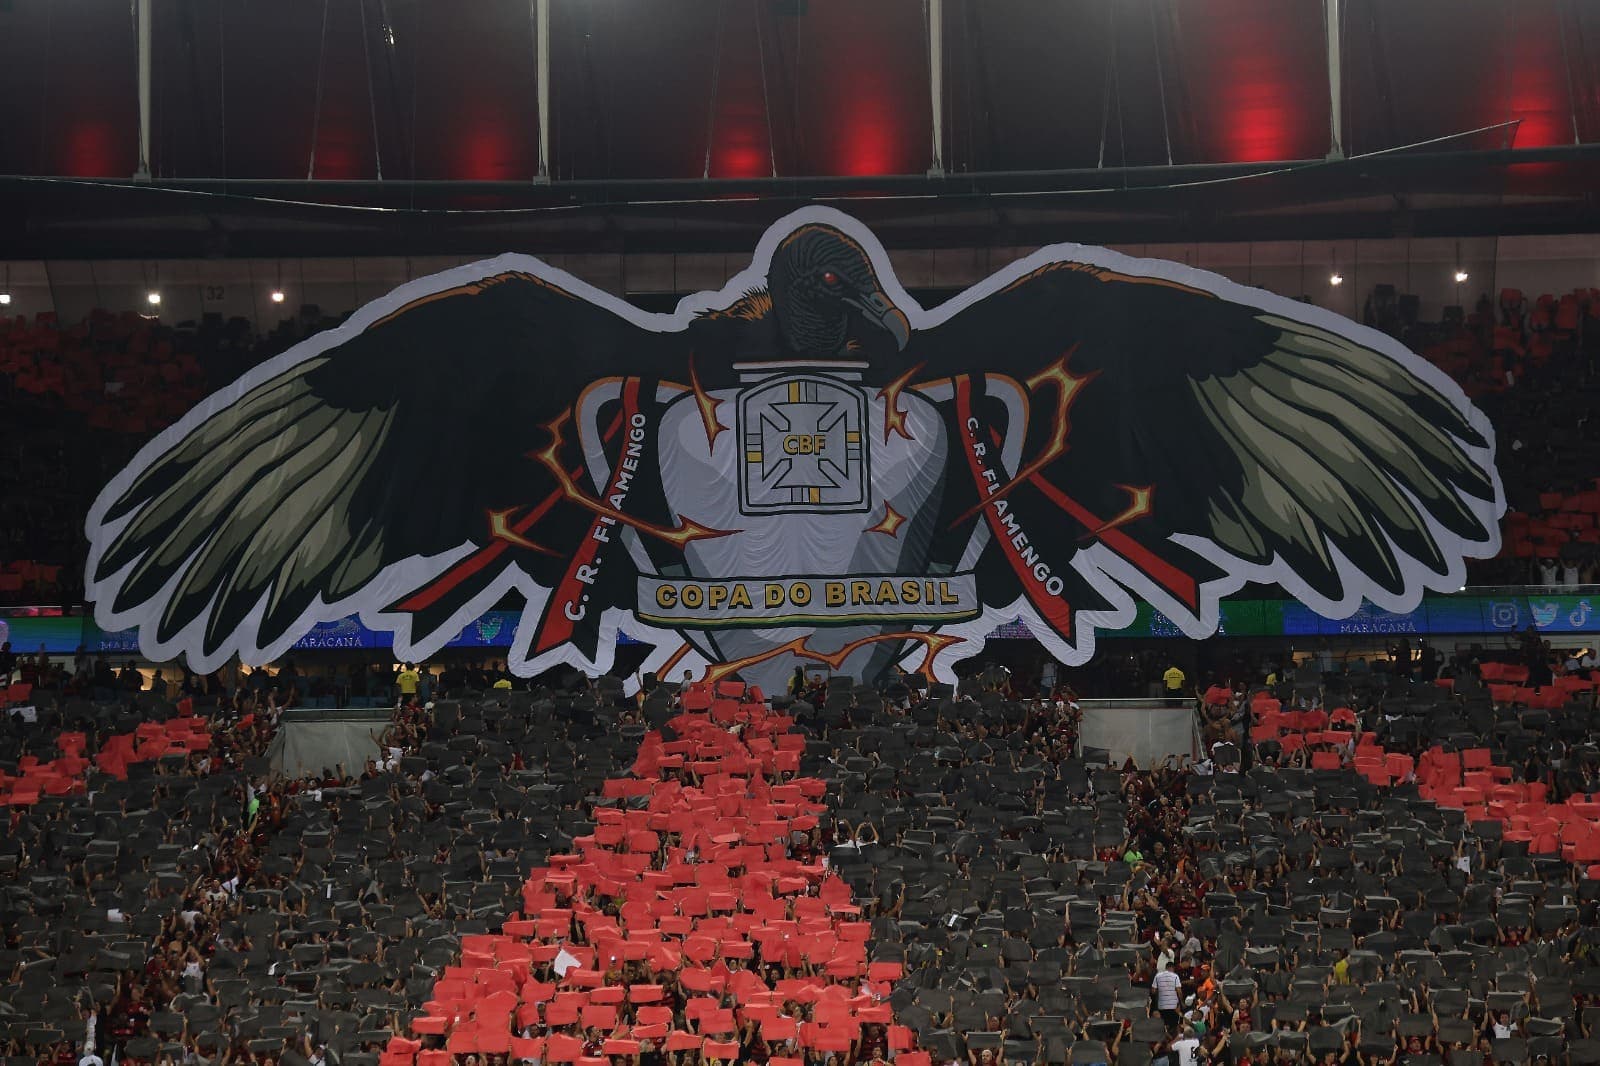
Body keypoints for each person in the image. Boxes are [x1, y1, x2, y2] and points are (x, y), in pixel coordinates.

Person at [1152, 964, 1184, 1031]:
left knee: (1164, 1026)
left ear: (1166, 968)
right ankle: (1174, 1039)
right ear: (1172, 968)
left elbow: (1153, 991)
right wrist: (1181, 1003)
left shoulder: (1158, 976)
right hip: (1173, 1006)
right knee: (1174, 1026)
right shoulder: (1175, 976)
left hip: (1162, 1006)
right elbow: (1179, 991)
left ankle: (1166, 1039)